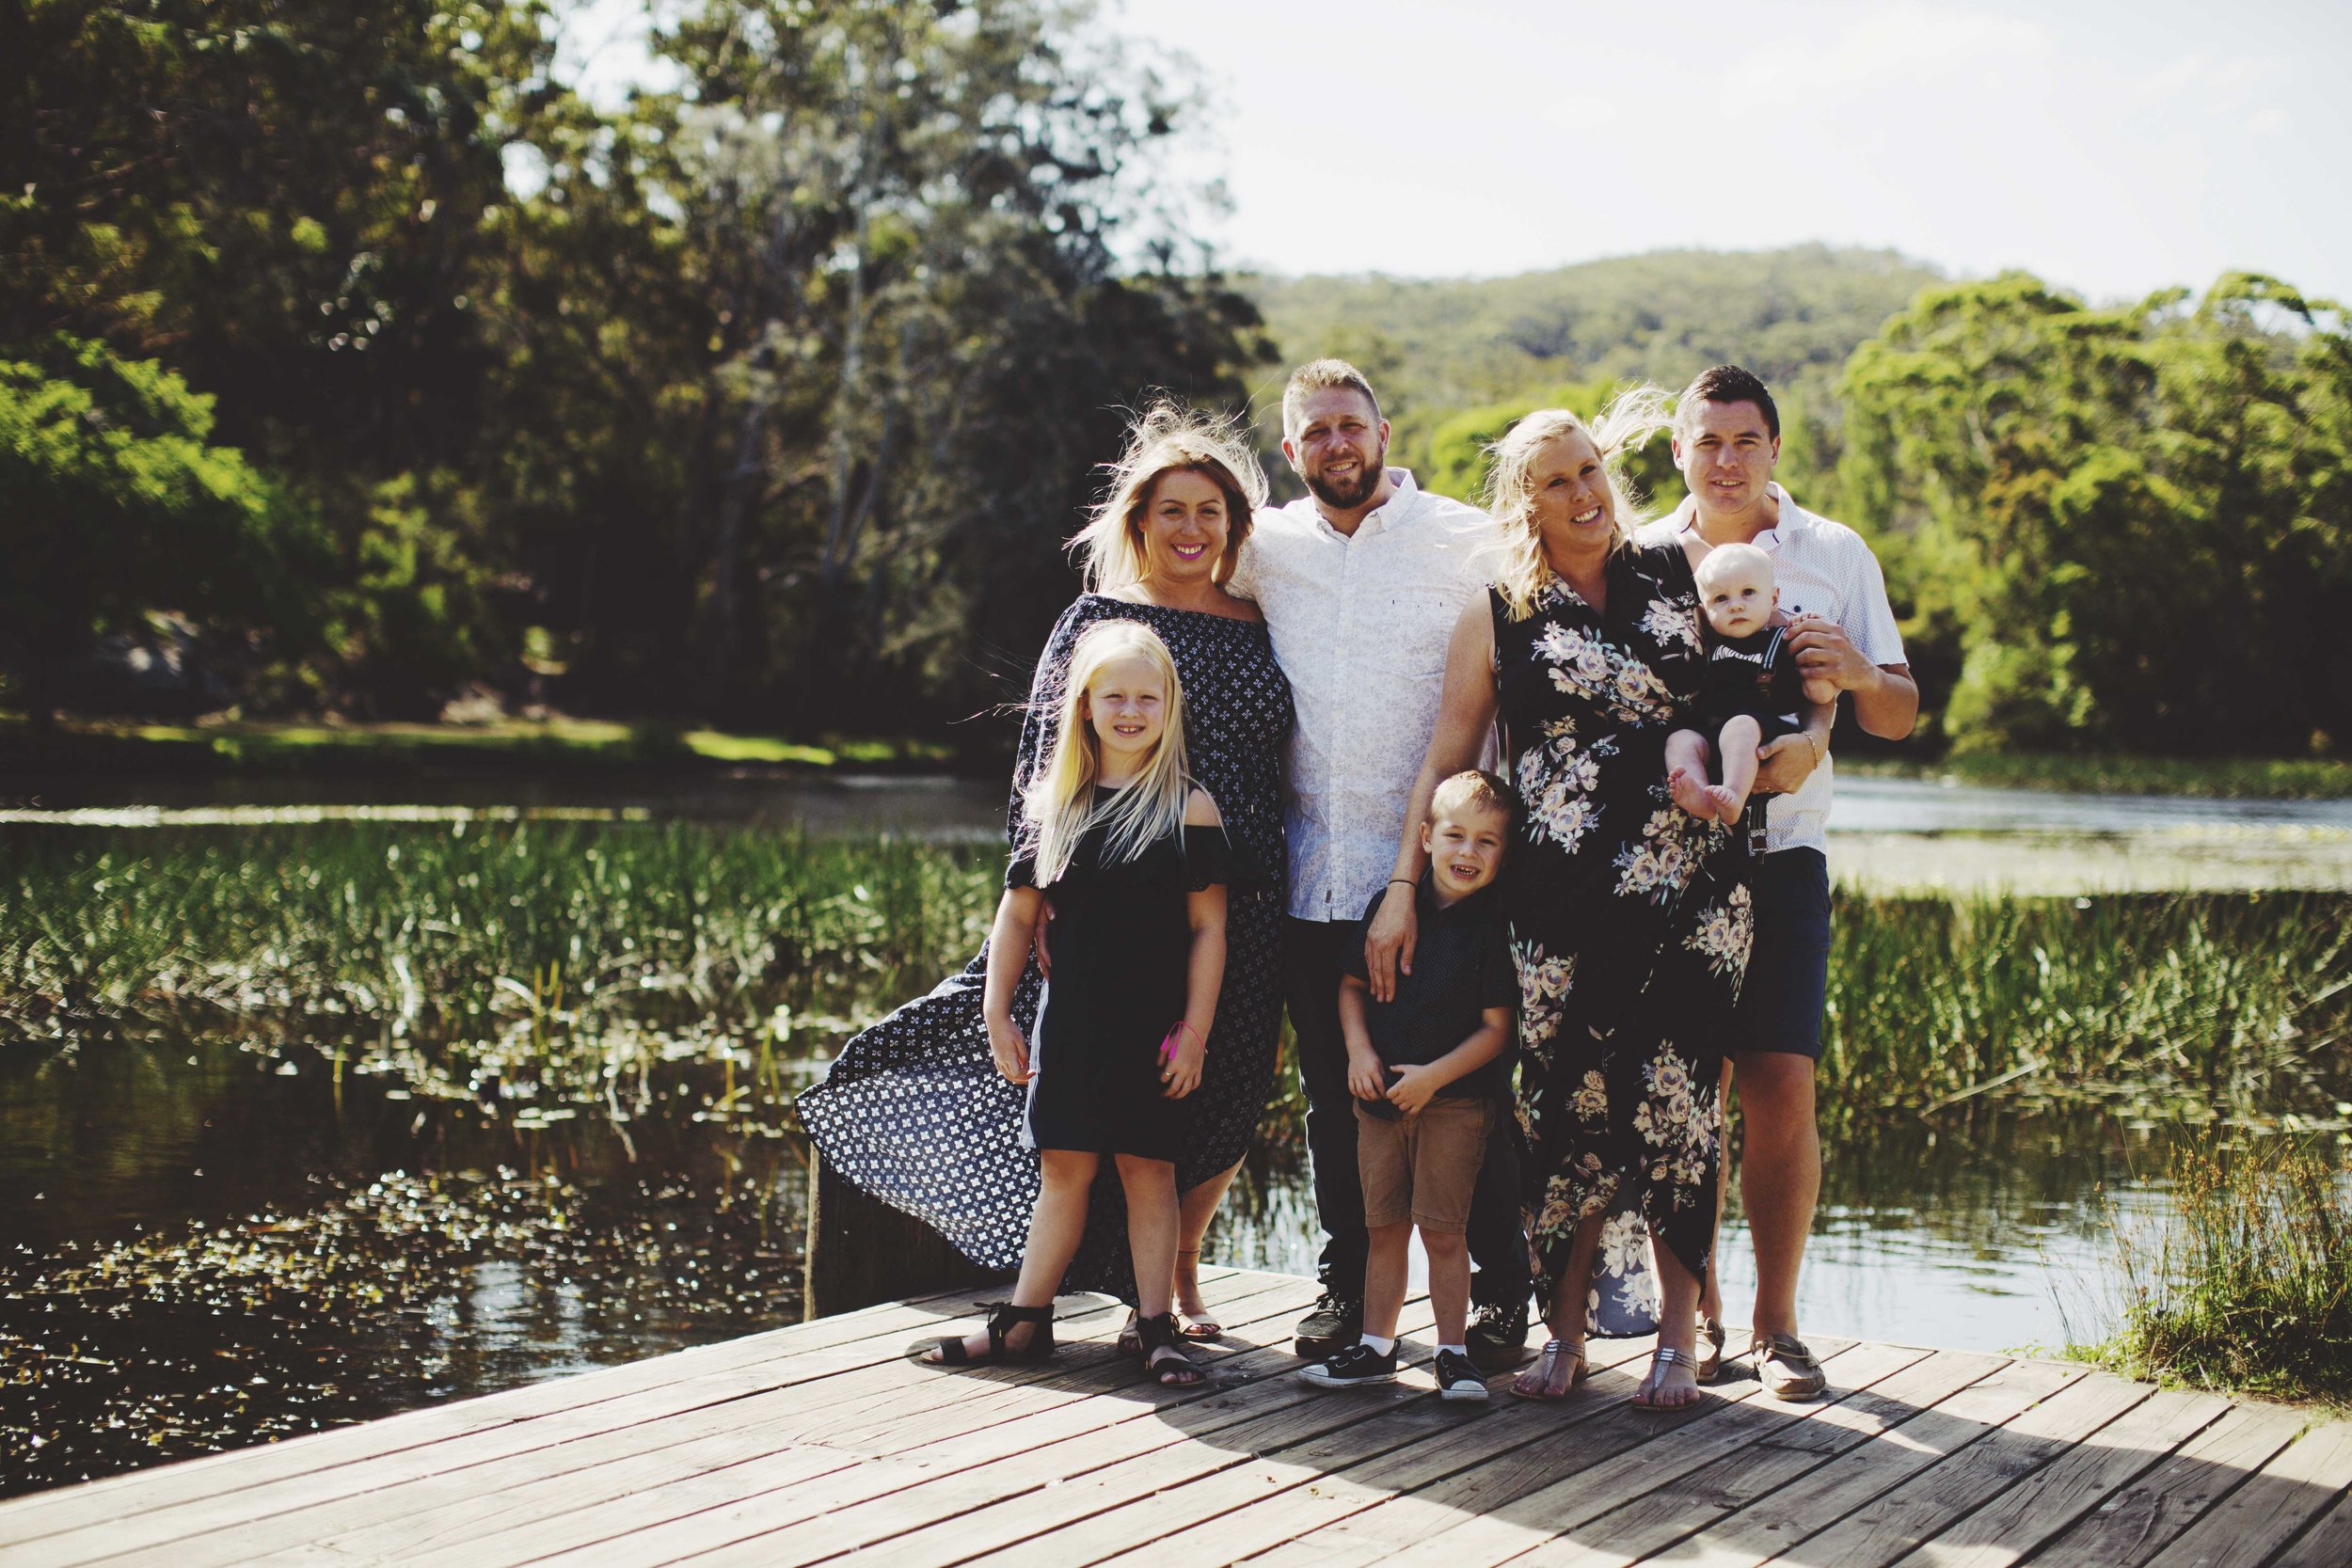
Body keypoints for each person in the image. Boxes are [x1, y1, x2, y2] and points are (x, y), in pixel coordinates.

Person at [799, 405, 1293, 1329]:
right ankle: (1149, 1289)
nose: (1191, 528)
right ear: (1139, 519)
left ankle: (1179, 1264)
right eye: (1173, 509)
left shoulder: (1261, 618)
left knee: (1225, 1087)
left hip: (1243, 891)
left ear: (1233, 526)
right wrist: (1046, 897)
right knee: (1100, 1105)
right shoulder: (1098, 618)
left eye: (1210, 512)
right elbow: (1043, 761)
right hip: (1115, 896)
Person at [1371, 391, 1771, 1410]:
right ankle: (1566, 1332)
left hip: (1692, 893)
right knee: (1566, 1109)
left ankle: (1679, 1340)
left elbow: (1747, 680)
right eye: (1557, 479)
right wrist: (1405, 887)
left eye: (1590, 468)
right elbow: (1449, 754)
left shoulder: (1678, 573)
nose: (1584, 491)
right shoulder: (1499, 609)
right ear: (1525, 499)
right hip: (1555, 905)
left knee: (1679, 1101)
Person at [1227, 359, 1534, 1369]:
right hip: (1311, 871)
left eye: (1349, 426)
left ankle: (1497, 1297)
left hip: (1442, 876)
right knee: (1337, 1095)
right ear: (1289, 449)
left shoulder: (1462, 539)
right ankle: (1344, 1290)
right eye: (1313, 432)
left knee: (1465, 1099)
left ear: (1384, 432)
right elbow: (1174, 584)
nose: (1335, 446)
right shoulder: (1260, 547)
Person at [1641, 364, 1917, 1401]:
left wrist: (1851, 672)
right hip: (1672, 860)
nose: (1724, 459)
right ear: (1678, 450)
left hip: (1787, 856)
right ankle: (1698, 1319)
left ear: (1773, 448)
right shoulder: (1643, 558)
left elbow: (1898, 711)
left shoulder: (1833, 551)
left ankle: (1778, 1324)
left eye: (1744, 439)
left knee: (1781, 1082)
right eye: (1705, 440)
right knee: (1686, 1094)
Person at [919, 621, 1240, 1386]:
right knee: (1063, 1169)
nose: (1131, 710)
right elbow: (1018, 916)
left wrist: (1195, 1030)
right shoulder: (1056, 804)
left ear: (1170, 706)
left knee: (1148, 1169)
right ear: (1085, 706)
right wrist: (998, 1011)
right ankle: (1026, 1321)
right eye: (1114, 695)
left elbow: (1209, 929)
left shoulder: (1188, 808)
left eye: (1147, 696)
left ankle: (1156, 1326)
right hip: (1070, 1027)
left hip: (1154, 1030)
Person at [1298, 771, 1518, 1402]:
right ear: (1425, 837)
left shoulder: (1488, 930)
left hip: (1453, 1105)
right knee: (1383, 1227)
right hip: (1380, 1105)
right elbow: (1350, 986)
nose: (1466, 852)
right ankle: (1375, 1346)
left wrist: (1434, 1077)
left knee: (1444, 1233)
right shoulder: (1392, 910)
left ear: (1503, 853)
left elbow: (1497, 1030)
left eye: (1485, 841)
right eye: (1454, 835)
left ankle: (1453, 1354)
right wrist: (1359, 1052)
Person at [1666, 543, 1837, 824]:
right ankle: (1701, 797)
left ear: (1773, 598)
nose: (1735, 605)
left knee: (1740, 726)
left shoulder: (1785, 640)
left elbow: (1820, 695)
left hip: (1768, 730)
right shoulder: (1707, 645)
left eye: (1748, 593)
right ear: (1703, 612)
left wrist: (1817, 665)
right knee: (1680, 740)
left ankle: (1733, 797)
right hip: (1720, 733)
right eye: (1720, 599)